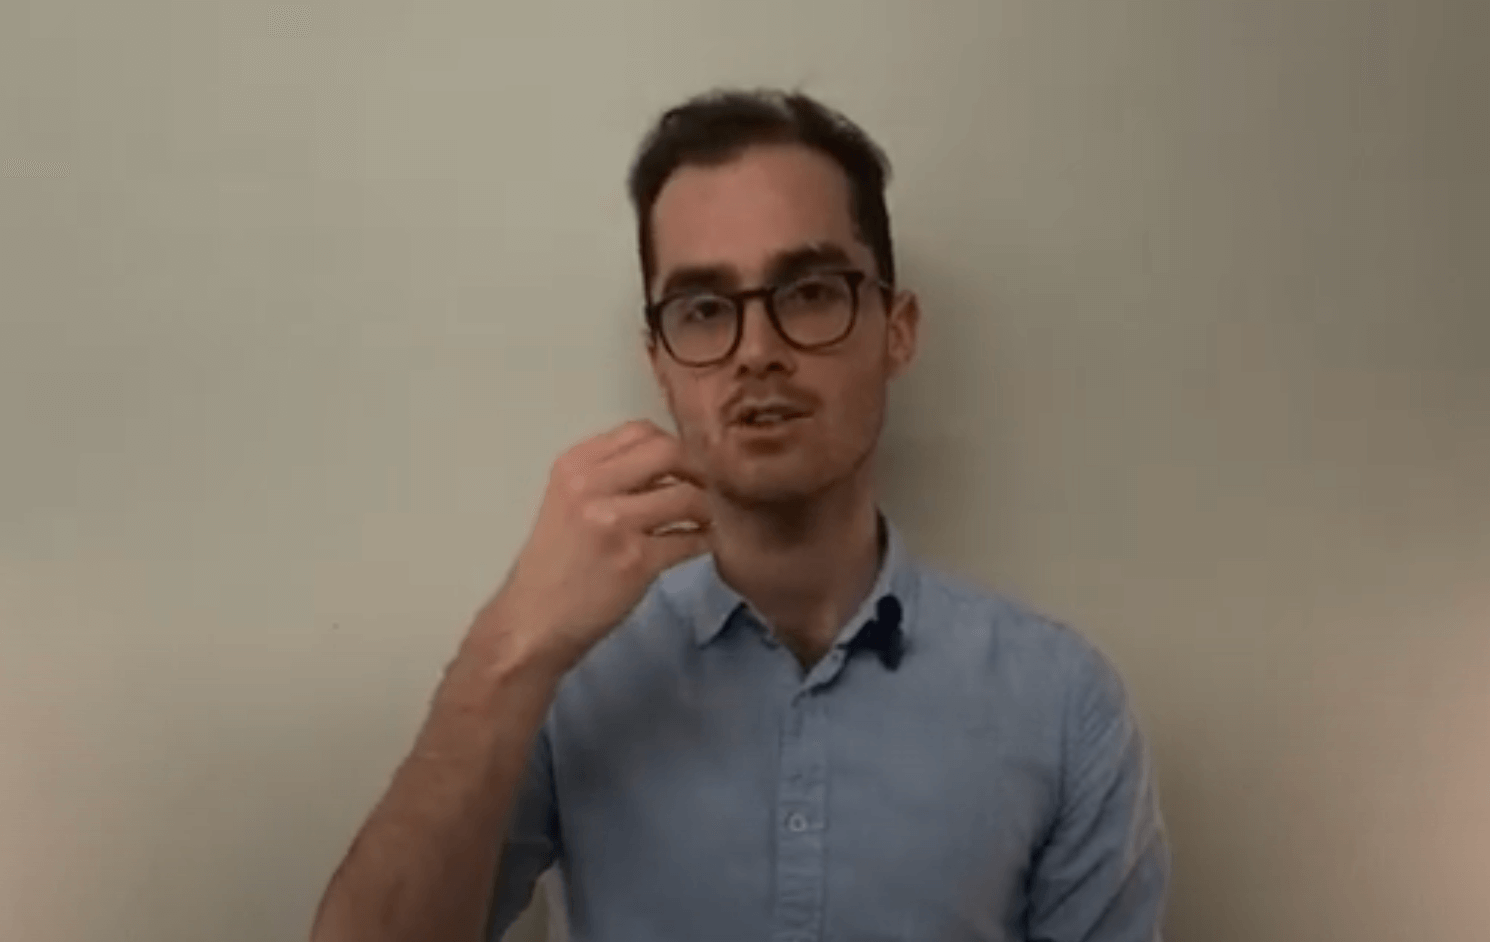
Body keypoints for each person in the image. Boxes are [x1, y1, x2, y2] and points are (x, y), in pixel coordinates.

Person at [310, 88, 1169, 942]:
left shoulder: (1061, 706)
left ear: (896, 330)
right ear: (660, 362)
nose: (758, 352)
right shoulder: (567, 678)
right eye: (704, 308)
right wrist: (508, 646)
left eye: (808, 292)